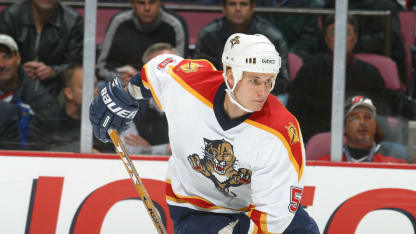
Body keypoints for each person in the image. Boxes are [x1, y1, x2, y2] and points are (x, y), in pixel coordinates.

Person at [90, 33, 319, 233]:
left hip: (260, 209)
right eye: (254, 80)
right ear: (231, 76)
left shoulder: (280, 131)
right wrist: (129, 94)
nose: (263, 91)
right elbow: (158, 67)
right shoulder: (189, 84)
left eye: (269, 81)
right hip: (198, 209)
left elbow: (273, 219)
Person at [287, 14, 391, 143]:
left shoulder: (371, 74)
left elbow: (381, 118)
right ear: (326, 39)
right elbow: (295, 117)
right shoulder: (309, 72)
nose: (340, 38)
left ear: (355, 38)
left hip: (363, 143)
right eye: (334, 33)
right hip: (317, 142)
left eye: (346, 33)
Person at [194, 0, 290, 96]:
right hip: (219, 93)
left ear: (253, 8)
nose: (238, 9)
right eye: (232, 4)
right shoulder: (209, 35)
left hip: (264, 94)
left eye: (243, 4)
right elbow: (201, 75)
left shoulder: (272, 37)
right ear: (223, 8)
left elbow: (282, 82)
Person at [0, 0, 84, 98]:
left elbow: (76, 65)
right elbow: (2, 57)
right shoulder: (10, 17)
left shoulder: (73, 21)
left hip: (56, 88)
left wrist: (53, 71)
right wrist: (18, 69)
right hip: (13, 84)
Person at [96, 0, 189, 84]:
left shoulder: (174, 24)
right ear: (132, 3)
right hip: (124, 83)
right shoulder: (119, 22)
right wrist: (118, 77)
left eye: (152, 2)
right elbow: (101, 66)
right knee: (100, 86)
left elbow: (181, 68)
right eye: (141, 3)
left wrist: (147, 78)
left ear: (160, 2)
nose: (147, 8)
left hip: (162, 83)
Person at [324, 0, 407, 84]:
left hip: (379, 63)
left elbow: (390, 38)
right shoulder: (333, 4)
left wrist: (353, 43)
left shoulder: (384, 4)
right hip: (338, 65)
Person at [0, 34, 57, 149]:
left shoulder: (39, 99)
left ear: (18, 58)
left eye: (7, 57)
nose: (1, 64)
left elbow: (46, 145)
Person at [317, 95, 408, 163]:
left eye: (368, 117)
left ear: (375, 125)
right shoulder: (328, 162)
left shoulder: (396, 161)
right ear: (344, 127)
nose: (362, 122)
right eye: (355, 117)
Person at [121, 43, 176, 155]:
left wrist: (150, 149)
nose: (165, 74)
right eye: (158, 68)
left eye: (170, 67)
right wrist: (167, 149)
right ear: (146, 75)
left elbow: (194, 148)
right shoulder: (131, 105)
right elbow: (128, 149)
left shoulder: (195, 102)